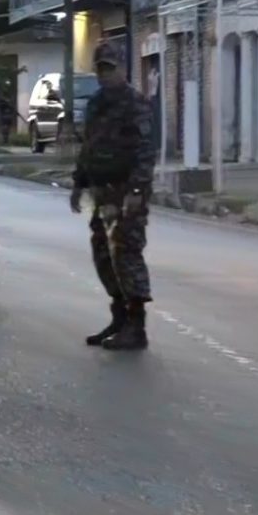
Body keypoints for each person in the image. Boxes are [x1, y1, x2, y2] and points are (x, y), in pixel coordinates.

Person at [70, 43, 156, 351]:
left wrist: (136, 191)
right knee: (103, 255)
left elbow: (146, 152)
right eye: (101, 69)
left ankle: (136, 325)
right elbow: (88, 146)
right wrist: (78, 183)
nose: (106, 74)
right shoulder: (96, 104)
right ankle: (119, 316)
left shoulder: (136, 104)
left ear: (123, 68)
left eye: (111, 68)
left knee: (127, 254)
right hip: (102, 192)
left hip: (127, 191)